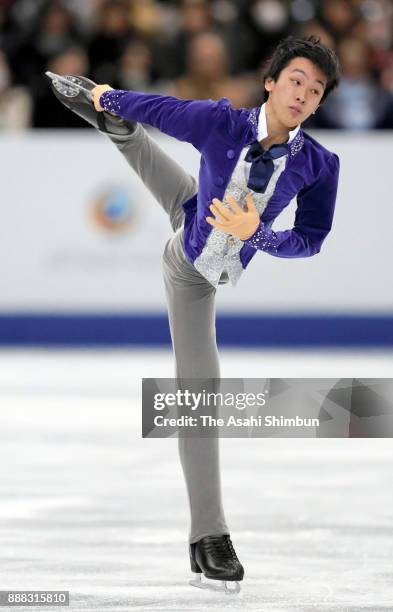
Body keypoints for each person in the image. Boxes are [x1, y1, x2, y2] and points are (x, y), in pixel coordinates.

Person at [48, 34, 341, 594]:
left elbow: (311, 239)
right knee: (199, 399)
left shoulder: (320, 165)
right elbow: (165, 109)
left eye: (316, 89)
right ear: (271, 82)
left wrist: (262, 235)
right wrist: (108, 97)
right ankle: (209, 537)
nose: (303, 94)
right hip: (191, 269)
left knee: (194, 205)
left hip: (206, 218)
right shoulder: (222, 124)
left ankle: (119, 137)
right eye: (296, 80)